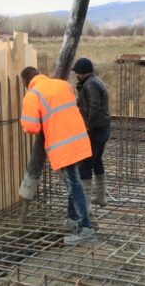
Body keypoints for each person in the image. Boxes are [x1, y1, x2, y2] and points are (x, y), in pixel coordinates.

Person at [19, 66, 96, 245]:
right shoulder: (62, 84)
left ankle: (86, 230)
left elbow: (31, 127)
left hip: (63, 146)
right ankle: (73, 219)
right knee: (73, 183)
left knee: (74, 186)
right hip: (79, 139)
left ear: (25, 81)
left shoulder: (33, 95)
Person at [72, 58, 111, 212]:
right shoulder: (94, 81)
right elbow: (88, 103)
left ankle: (85, 207)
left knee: (86, 164)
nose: (76, 75)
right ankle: (101, 198)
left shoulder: (91, 84)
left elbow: (94, 107)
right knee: (96, 161)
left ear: (83, 73)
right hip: (103, 127)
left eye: (77, 73)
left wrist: (87, 126)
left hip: (96, 129)